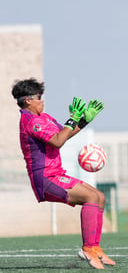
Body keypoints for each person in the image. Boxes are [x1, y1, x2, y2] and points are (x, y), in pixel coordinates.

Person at [11, 78, 115, 269]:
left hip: (56, 173)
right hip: (45, 178)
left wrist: (82, 120)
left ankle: (94, 247)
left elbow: (64, 134)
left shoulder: (45, 117)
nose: (43, 100)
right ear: (28, 100)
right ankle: (87, 249)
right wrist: (72, 118)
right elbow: (57, 141)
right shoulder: (30, 122)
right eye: (39, 97)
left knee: (99, 197)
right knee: (91, 197)